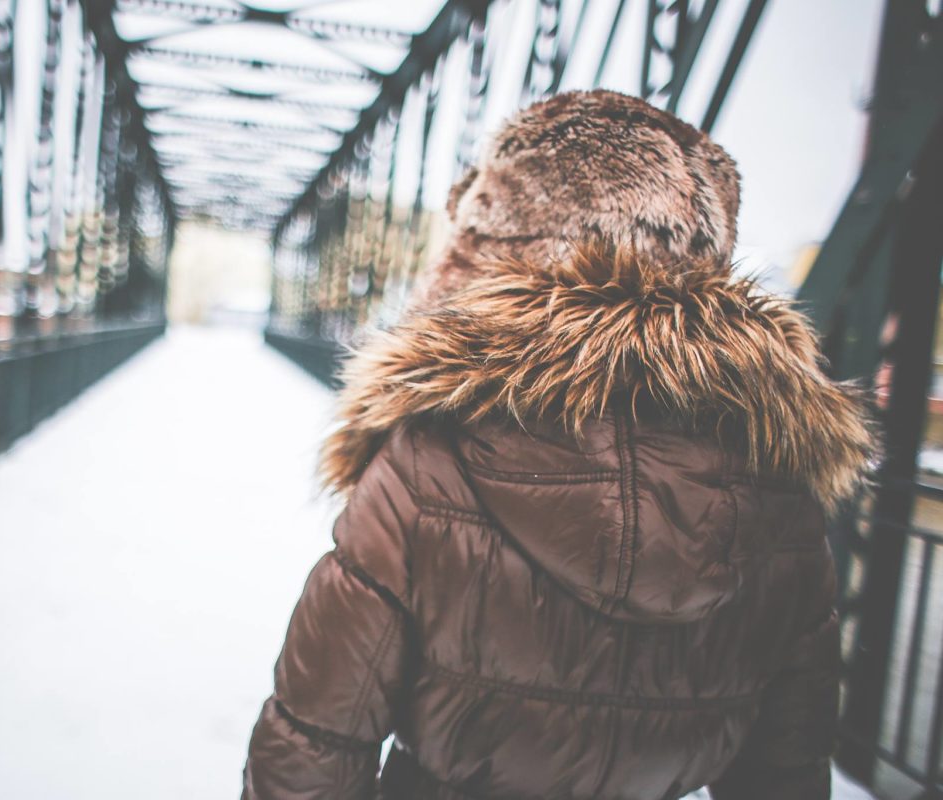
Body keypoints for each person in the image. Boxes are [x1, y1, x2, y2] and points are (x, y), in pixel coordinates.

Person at [242, 89, 874, 800]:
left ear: (495, 248)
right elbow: (786, 770)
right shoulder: (780, 489)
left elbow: (320, 737)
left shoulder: (427, 464)